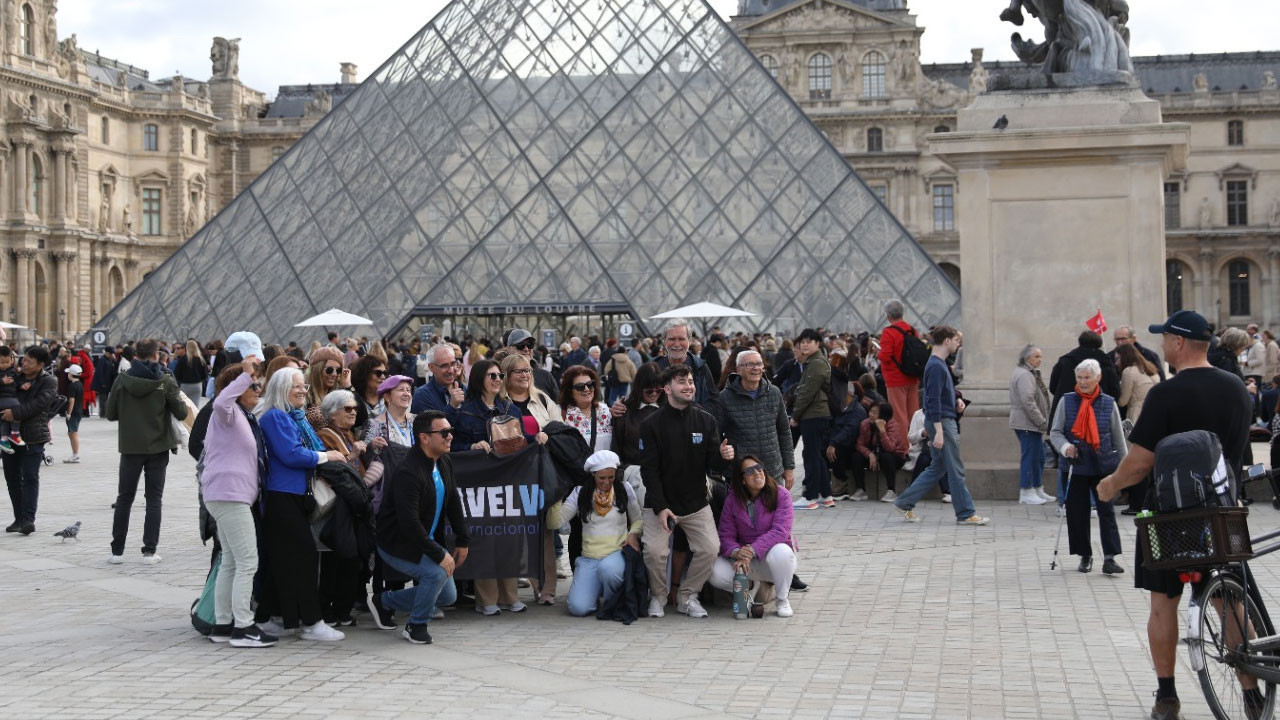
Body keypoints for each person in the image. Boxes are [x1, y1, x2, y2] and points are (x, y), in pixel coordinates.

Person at [1097, 310, 1256, 720]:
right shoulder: (1236, 387)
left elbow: (1139, 464)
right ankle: (1252, 691)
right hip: (1222, 511)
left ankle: (1167, 696)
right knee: (1229, 601)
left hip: (1168, 519)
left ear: (1180, 343)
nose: (1163, 345)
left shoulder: (1166, 395)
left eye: (1166, 338)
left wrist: (1110, 486)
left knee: (1163, 603)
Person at [252, 368, 347, 642]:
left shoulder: (288, 417)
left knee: (283, 560)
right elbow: (291, 454)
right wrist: (325, 456)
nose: (303, 390)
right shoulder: (275, 417)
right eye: (297, 386)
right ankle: (310, 621)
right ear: (281, 388)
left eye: (304, 386)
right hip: (283, 495)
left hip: (290, 494)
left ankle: (272, 617)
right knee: (304, 556)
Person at [639, 364, 735, 619]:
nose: (689, 386)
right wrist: (660, 507)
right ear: (667, 389)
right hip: (661, 504)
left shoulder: (705, 420)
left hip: (695, 503)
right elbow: (649, 471)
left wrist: (725, 456)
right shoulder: (651, 424)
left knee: (709, 548)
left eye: (691, 381)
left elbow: (714, 463)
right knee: (655, 551)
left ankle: (688, 596)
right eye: (682, 382)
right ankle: (658, 597)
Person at [369, 411, 470, 645]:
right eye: (444, 433)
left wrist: (463, 540)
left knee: (447, 595)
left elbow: (453, 500)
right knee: (435, 574)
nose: (450, 437)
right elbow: (409, 524)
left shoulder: (443, 460)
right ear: (424, 438)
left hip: (423, 538)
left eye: (451, 431)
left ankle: (383, 602)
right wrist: (439, 555)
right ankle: (416, 626)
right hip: (397, 542)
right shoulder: (408, 471)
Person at [200, 359, 277, 648]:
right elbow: (220, 401)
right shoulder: (226, 412)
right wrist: (245, 374)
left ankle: (222, 624)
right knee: (248, 561)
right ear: (236, 387)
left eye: (257, 383)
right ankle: (244, 626)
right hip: (229, 494)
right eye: (252, 384)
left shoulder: (242, 415)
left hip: (229, 494)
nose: (257, 388)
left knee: (232, 561)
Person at [892, 327, 989, 526]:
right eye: (955, 340)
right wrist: (939, 431)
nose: (957, 344)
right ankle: (965, 512)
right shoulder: (937, 366)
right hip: (942, 422)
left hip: (940, 420)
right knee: (955, 468)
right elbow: (933, 399)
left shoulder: (936, 363)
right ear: (946, 341)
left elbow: (941, 393)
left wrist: (956, 400)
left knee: (938, 467)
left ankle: (905, 501)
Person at [105, 339, 189, 563]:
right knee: (153, 500)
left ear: (135, 355)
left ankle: (117, 551)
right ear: (156, 356)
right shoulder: (163, 382)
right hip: (158, 447)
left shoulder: (122, 380)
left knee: (124, 498)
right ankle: (149, 551)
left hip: (131, 447)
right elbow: (181, 413)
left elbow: (110, 413)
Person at [1048, 359, 1126, 575]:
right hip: (1076, 465)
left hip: (1103, 466)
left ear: (1097, 378)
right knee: (1077, 513)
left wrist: (1124, 471)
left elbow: (1119, 439)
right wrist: (1065, 448)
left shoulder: (1108, 403)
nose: (1082, 382)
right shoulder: (1067, 401)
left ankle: (1110, 557)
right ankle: (1085, 555)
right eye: (1079, 378)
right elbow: (1055, 432)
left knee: (1106, 511)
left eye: (1086, 378)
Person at [501, 352, 563, 603]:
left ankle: (546, 589)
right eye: (519, 371)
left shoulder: (542, 400)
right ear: (507, 375)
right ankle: (516, 588)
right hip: (513, 477)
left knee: (545, 531)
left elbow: (560, 429)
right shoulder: (500, 403)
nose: (525, 375)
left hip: (542, 473)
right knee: (517, 532)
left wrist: (548, 435)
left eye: (527, 370)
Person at [548, 450, 642, 617]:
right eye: (602, 478)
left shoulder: (625, 489)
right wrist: (556, 496)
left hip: (617, 554)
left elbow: (638, 520)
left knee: (609, 570)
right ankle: (598, 593)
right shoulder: (580, 493)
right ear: (593, 475)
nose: (606, 482)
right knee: (578, 608)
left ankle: (613, 601)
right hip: (589, 558)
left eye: (611, 477)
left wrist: (633, 534)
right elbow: (555, 523)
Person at [708, 454, 798, 618]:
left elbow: (780, 531)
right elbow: (725, 534)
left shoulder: (781, 494)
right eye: (750, 471)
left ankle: (782, 599)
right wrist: (736, 552)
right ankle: (747, 591)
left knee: (782, 552)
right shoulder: (733, 499)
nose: (758, 473)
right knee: (714, 571)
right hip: (743, 561)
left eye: (760, 468)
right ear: (742, 479)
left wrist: (751, 550)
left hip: (770, 558)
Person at [315, 389, 374, 627]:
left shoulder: (349, 433)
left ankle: (343, 609)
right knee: (341, 558)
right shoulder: (326, 435)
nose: (353, 412)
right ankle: (328, 610)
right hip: (339, 506)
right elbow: (333, 468)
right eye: (347, 409)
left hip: (356, 505)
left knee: (355, 559)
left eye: (354, 408)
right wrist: (353, 454)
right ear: (332, 413)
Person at [709, 350, 795, 492]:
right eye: (750, 364)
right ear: (738, 370)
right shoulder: (724, 398)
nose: (756, 368)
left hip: (772, 469)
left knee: (775, 512)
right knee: (745, 514)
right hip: (741, 474)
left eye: (759, 364)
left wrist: (789, 467)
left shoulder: (774, 392)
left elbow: (784, 432)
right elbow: (716, 436)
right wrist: (719, 466)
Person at [1, 346, 56, 535]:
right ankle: (18, 518)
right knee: (12, 477)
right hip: (10, 435)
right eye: (23, 360)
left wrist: (13, 413)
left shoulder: (49, 382)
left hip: (33, 435)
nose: (24, 364)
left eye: (29, 362)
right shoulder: (15, 377)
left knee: (30, 477)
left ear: (41, 365)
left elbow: (38, 405)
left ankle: (28, 519)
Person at [791, 328, 833, 510]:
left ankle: (810, 497)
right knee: (816, 455)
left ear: (818, 344)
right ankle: (826, 495)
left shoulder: (816, 364)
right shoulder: (815, 362)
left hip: (813, 414)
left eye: (809, 341)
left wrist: (796, 415)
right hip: (816, 413)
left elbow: (807, 393)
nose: (805, 344)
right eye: (802, 342)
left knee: (811, 455)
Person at [1008, 345, 1052, 505]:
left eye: (1040, 356)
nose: (1039, 360)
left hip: (1030, 423)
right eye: (1036, 356)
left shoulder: (1028, 373)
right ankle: (1026, 490)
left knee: (1038, 456)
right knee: (1030, 456)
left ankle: (1037, 487)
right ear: (1027, 358)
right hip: (1027, 423)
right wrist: (1041, 421)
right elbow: (1028, 401)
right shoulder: (1025, 375)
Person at [877, 300, 921, 450]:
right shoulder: (912, 330)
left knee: (899, 416)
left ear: (888, 315)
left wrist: (879, 353)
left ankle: (903, 448)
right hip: (912, 377)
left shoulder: (888, 332)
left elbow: (886, 356)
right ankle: (917, 445)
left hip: (895, 379)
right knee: (914, 413)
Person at [854, 402, 908, 503]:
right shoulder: (865, 424)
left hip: (894, 456)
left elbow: (890, 448)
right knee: (856, 456)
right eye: (870, 411)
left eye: (874, 413)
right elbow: (859, 444)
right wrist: (869, 454)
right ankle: (860, 489)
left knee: (886, 456)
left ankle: (891, 491)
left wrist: (882, 430)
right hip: (873, 454)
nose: (870, 414)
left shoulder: (893, 425)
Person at [560, 366, 612, 452]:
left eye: (590, 384)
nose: (587, 389)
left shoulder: (606, 411)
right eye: (580, 387)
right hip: (577, 465)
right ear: (569, 390)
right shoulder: (560, 414)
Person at [410, 344, 465, 418]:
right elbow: (432, 428)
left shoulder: (465, 389)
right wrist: (452, 407)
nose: (451, 370)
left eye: (453, 364)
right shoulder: (422, 395)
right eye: (444, 366)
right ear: (431, 367)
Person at [506, 329, 557, 398]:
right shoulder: (499, 375)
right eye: (521, 345)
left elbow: (557, 404)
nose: (526, 349)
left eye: (530, 345)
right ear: (509, 349)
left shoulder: (546, 376)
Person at [0, 346, 26, 454]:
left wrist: (23, 385)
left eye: (7, 362)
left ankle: (4, 439)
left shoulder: (13, 371)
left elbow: (18, 382)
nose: (5, 365)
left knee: (7, 419)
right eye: (2, 362)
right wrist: (2, 381)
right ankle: (15, 433)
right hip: (3, 399)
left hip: (10, 399)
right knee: (18, 408)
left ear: (12, 360)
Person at [174, 339, 210, 407]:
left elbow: (177, 374)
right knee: (195, 406)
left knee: (185, 406)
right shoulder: (201, 359)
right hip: (197, 385)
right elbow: (205, 374)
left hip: (185, 385)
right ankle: (195, 417)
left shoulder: (183, 359)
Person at [62, 363, 85, 464]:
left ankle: (75, 455)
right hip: (79, 411)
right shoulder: (80, 384)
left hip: (73, 412)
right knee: (71, 432)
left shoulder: (72, 386)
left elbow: (71, 400)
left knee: (74, 433)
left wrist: (69, 413)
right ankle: (74, 454)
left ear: (71, 374)